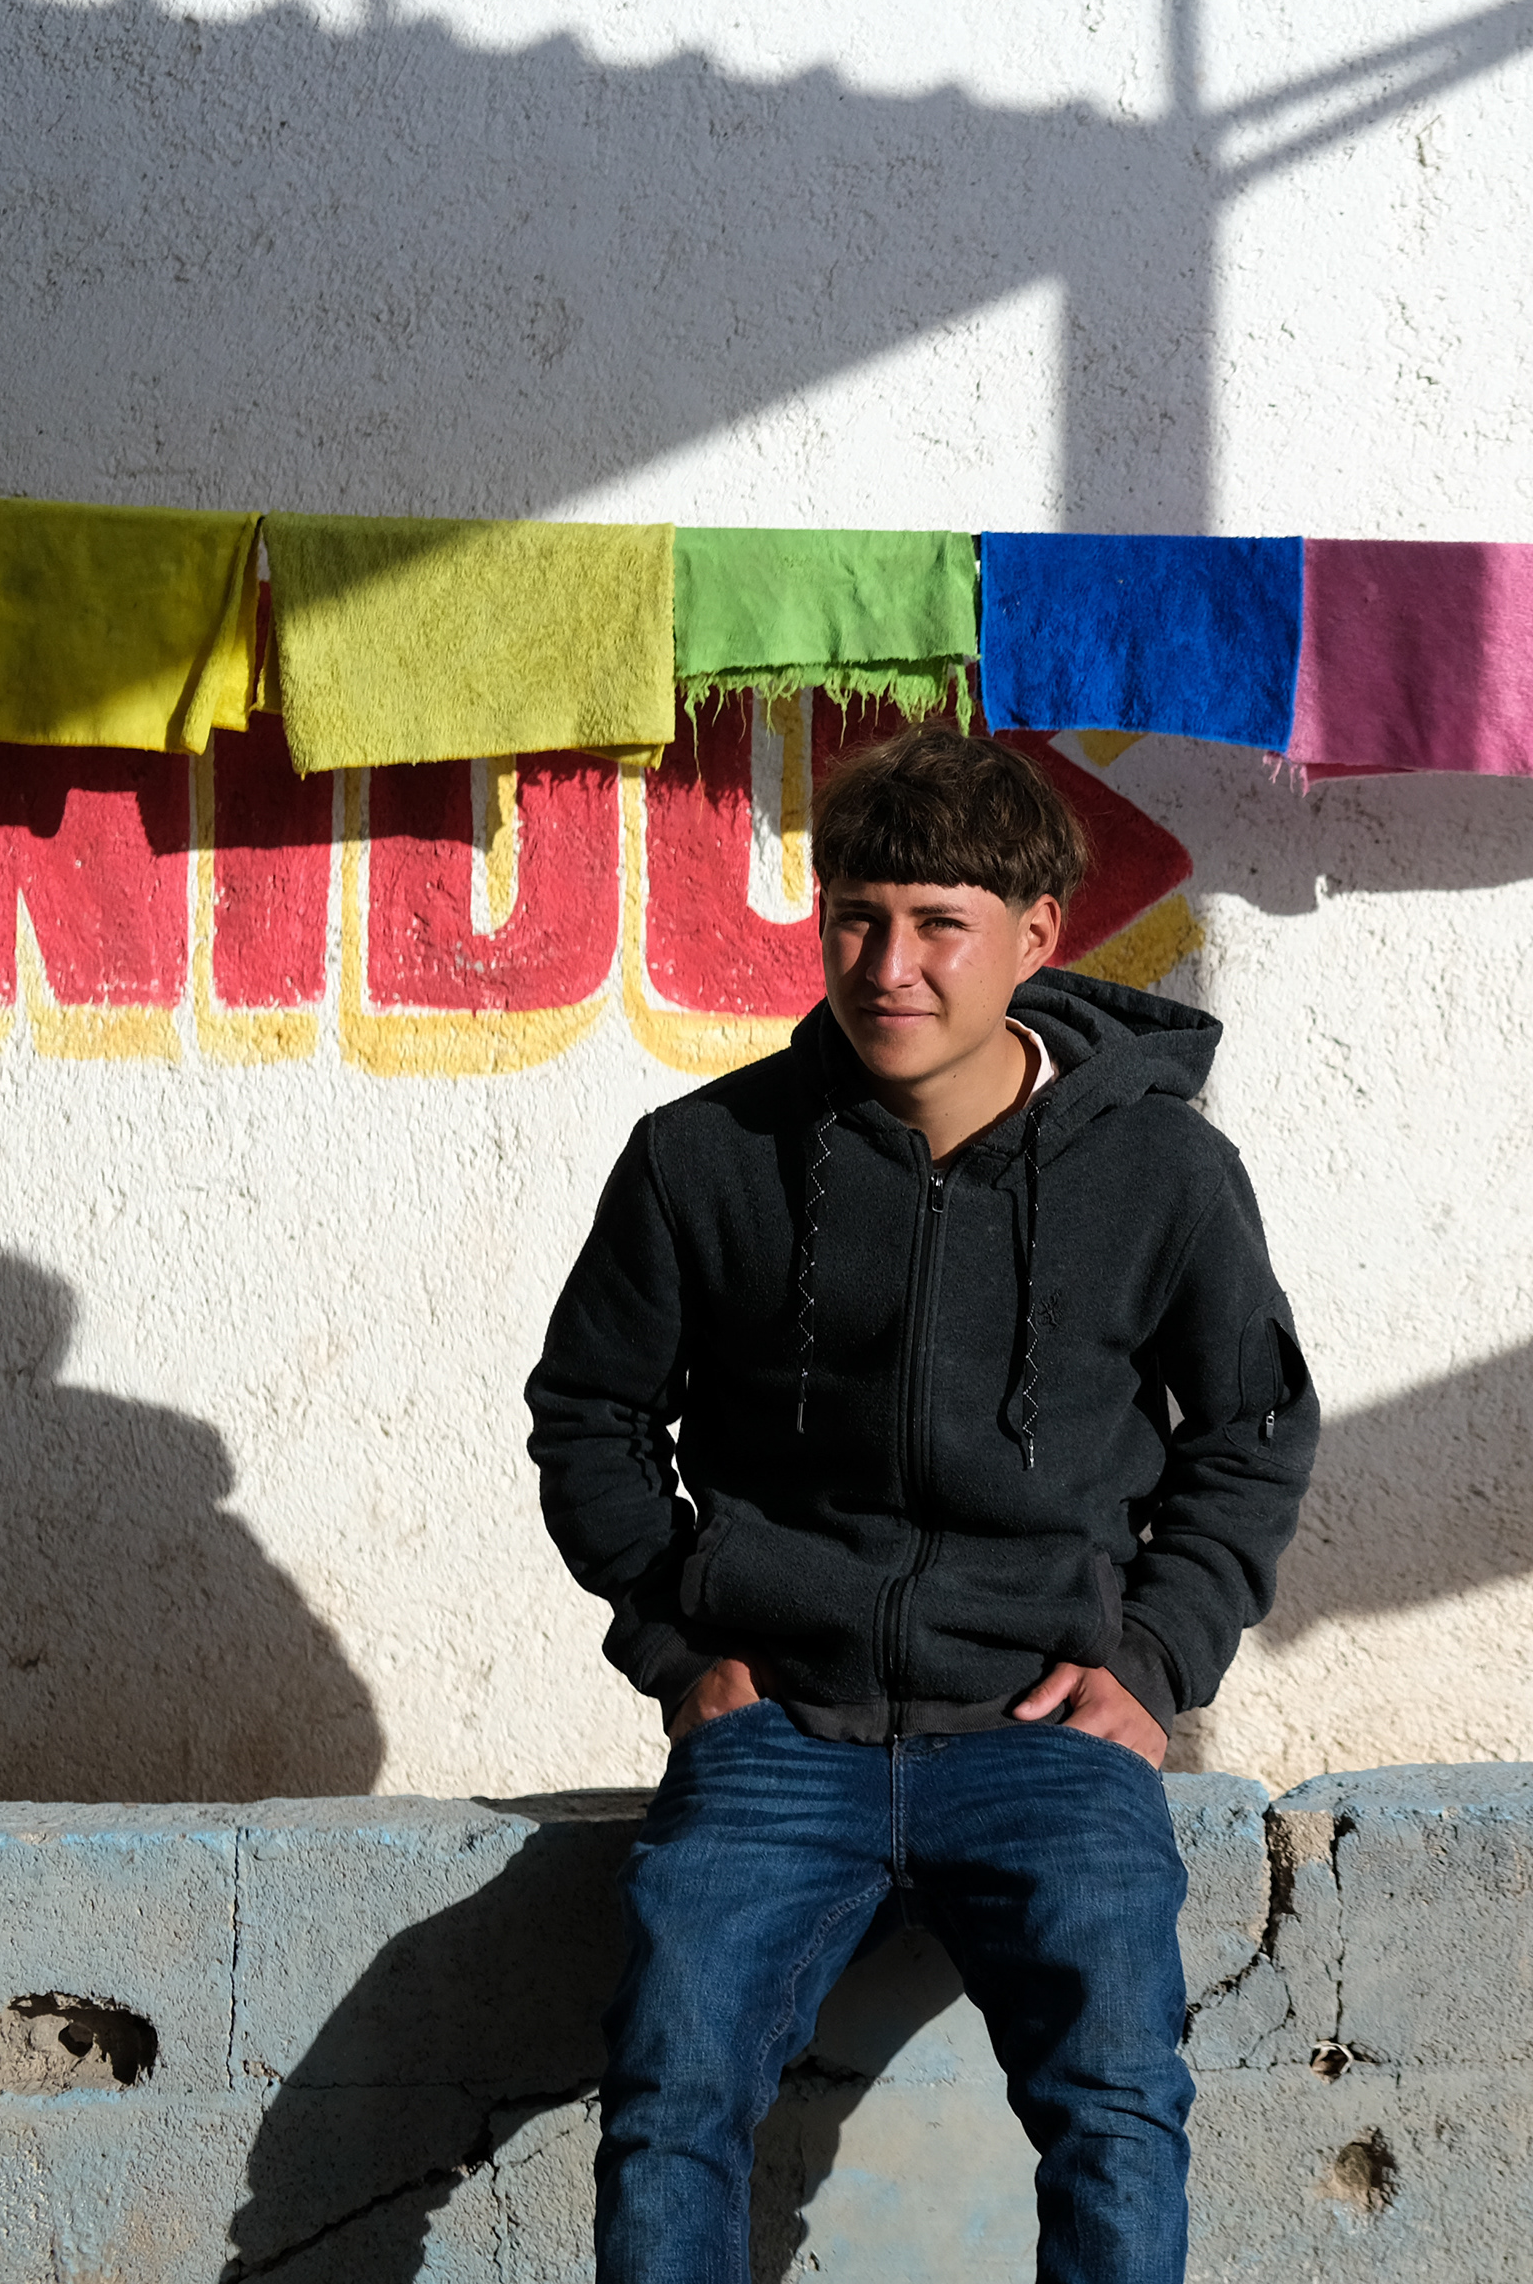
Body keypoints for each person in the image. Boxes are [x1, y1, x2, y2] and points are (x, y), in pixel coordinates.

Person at [529, 722, 1319, 2284]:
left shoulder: (1160, 1171)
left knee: (1118, 2099)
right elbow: (593, 1417)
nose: (890, 965)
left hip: (1040, 1737)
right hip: (780, 1733)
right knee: (670, 2092)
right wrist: (685, 1650)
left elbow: (1253, 1430)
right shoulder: (706, 1159)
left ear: (1034, 938)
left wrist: (1154, 1666)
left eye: (939, 924)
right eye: (857, 917)